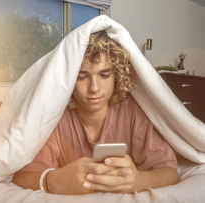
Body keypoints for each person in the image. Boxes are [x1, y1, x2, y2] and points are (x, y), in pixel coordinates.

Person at [12, 30, 180, 195]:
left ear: (117, 76)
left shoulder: (133, 112)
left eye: (105, 75)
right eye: (82, 77)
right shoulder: (54, 117)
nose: (94, 88)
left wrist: (138, 181)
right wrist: (53, 181)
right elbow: (23, 176)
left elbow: (170, 172)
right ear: (68, 79)